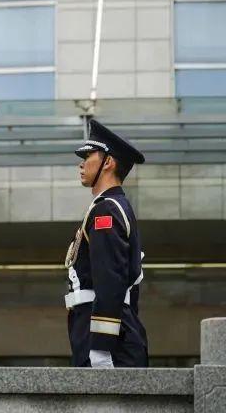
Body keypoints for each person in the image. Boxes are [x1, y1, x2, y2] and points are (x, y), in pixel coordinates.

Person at [63, 119, 148, 368]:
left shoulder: (106, 212)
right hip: (109, 333)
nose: (81, 163)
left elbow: (110, 281)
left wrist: (101, 346)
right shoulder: (110, 207)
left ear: (107, 163)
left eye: (89, 155)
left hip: (108, 342)